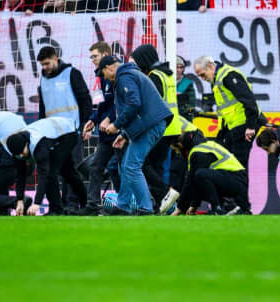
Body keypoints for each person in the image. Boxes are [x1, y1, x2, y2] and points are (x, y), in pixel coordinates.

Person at [99, 55, 172, 215]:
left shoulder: (124, 77)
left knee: (131, 166)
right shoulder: (130, 74)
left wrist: (116, 125)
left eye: (103, 73)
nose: (104, 78)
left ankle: (146, 207)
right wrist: (124, 134)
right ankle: (123, 205)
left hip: (150, 125)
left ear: (109, 68)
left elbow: (134, 104)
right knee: (125, 165)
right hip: (149, 124)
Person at [130, 43, 194, 214]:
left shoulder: (154, 76)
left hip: (161, 128)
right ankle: (161, 205)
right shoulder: (166, 74)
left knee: (140, 163)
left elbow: (152, 104)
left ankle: (166, 193)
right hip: (172, 128)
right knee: (156, 166)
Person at [193, 56, 267, 173]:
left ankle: (240, 191)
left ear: (210, 66)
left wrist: (250, 126)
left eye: (203, 74)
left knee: (238, 167)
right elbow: (224, 110)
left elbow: (249, 100)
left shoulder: (228, 76)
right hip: (234, 127)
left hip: (243, 125)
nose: (203, 79)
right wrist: (221, 133)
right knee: (231, 164)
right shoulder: (217, 80)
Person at [7, 116, 86, 216]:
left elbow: (43, 174)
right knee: (69, 173)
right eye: (18, 155)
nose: (21, 156)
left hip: (68, 133)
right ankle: (86, 204)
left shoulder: (38, 145)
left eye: (22, 152)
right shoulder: (17, 150)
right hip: (55, 132)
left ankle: (57, 209)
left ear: (27, 144)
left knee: (51, 172)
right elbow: (20, 175)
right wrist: (19, 201)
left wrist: (37, 203)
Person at [79, 42, 119, 216]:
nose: (92, 60)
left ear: (105, 55)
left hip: (119, 131)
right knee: (96, 166)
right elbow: (102, 103)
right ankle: (93, 205)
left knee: (123, 169)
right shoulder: (100, 77)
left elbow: (119, 104)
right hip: (106, 133)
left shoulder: (118, 75)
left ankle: (134, 203)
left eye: (94, 56)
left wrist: (110, 119)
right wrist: (93, 120)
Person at [172, 127, 250, 215]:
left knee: (200, 175)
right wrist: (194, 205)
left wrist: (180, 208)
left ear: (180, 145)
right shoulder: (203, 145)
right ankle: (224, 207)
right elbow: (197, 183)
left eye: (175, 149)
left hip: (236, 180)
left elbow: (190, 183)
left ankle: (220, 208)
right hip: (236, 180)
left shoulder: (197, 152)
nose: (177, 153)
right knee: (200, 177)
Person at [37, 46, 92, 130]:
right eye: (42, 64)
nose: (44, 67)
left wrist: (86, 123)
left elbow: (85, 100)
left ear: (55, 58)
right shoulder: (43, 80)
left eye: (47, 63)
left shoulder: (72, 73)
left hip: (73, 129)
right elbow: (42, 107)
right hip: (51, 130)